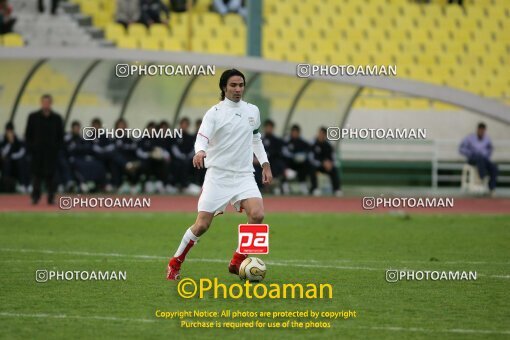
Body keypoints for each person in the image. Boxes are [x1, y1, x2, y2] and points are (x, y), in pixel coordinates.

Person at [166, 69, 273, 280]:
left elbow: (256, 138)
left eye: (241, 85)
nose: (238, 89)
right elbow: (201, 137)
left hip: (243, 175)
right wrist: (200, 151)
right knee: (202, 225)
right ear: (224, 88)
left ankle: (238, 260)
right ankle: (174, 263)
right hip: (218, 176)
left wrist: (265, 164)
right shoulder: (214, 113)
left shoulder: (253, 111)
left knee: (258, 214)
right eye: (233, 85)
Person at [25, 94, 63, 204]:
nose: (46, 104)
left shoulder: (57, 118)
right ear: (41, 103)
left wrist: (57, 148)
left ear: (51, 103)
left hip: (51, 153)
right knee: (36, 176)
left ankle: (51, 198)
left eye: (48, 102)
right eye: (44, 102)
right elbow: (28, 134)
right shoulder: (33, 117)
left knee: (51, 176)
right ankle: (35, 197)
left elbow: (60, 135)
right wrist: (31, 147)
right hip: (37, 152)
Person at [459, 122, 498, 194]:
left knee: (494, 167)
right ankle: (482, 177)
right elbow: (461, 148)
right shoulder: (470, 138)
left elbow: (490, 150)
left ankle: (491, 188)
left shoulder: (487, 139)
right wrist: (470, 153)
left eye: (483, 131)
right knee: (479, 157)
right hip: (472, 159)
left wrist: (485, 155)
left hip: (484, 159)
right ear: (477, 129)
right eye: (480, 130)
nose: (481, 132)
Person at [309, 127, 342, 197]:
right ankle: (315, 188)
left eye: (323, 134)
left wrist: (330, 164)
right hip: (317, 165)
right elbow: (311, 158)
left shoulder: (328, 145)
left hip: (327, 166)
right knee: (312, 168)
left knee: (334, 169)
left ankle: (336, 189)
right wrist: (322, 163)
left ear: (326, 135)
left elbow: (333, 158)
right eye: (320, 133)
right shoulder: (313, 143)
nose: (321, 135)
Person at [282, 124, 312, 195]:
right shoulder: (286, 142)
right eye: (293, 132)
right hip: (289, 164)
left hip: (299, 165)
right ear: (291, 132)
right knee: (283, 164)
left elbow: (308, 151)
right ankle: (284, 185)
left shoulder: (303, 142)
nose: (295, 134)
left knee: (306, 164)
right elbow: (284, 153)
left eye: (296, 132)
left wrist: (302, 156)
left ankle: (303, 184)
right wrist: (293, 156)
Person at [0, 122, 29, 192]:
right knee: (6, 163)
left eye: (11, 131)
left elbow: (22, 151)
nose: (10, 133)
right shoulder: (2, 139)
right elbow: (3, 153)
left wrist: (12, 157)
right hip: (6, 161)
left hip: (17, 160)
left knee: (22, 162)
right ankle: (6, 186)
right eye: (8, 131)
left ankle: (23, 184)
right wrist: (10, 143)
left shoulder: (18, 138)